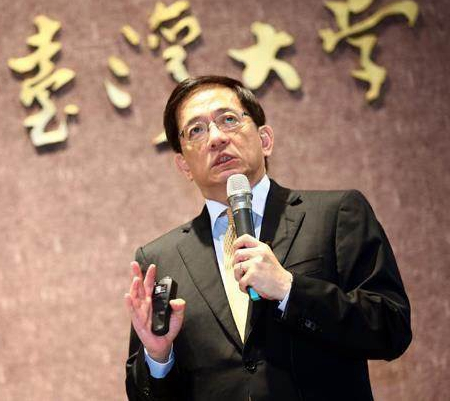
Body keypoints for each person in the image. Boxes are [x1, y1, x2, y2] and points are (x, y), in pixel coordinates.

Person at [124, 75, 411, 401]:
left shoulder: (336, 214)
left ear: (265, 140)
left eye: (228, 120)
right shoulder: (161, 260)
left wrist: (290, 289)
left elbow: (391, 327)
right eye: (196, 130)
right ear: (183, 165)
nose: (216, 138)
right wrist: (158, 357)